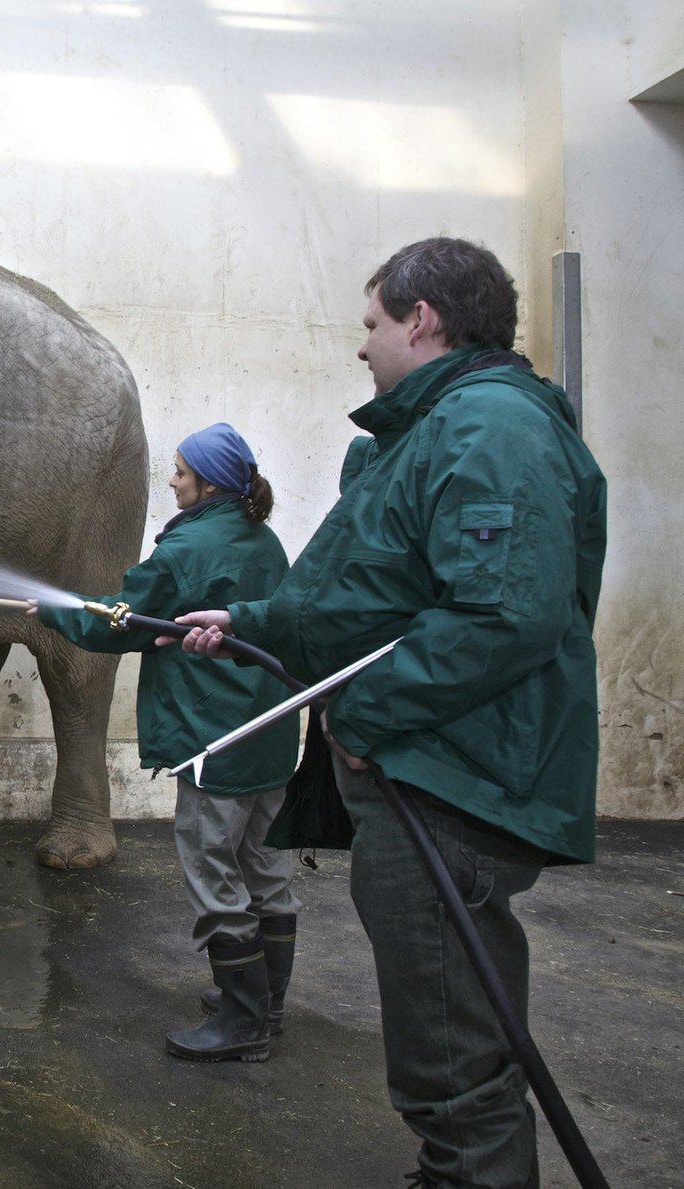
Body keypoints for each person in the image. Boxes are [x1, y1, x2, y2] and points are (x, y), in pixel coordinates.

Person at [174, 238, 607, 1188]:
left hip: (450, 777)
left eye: (372, 323)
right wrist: (252, 620)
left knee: (451, 1035)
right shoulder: (440, 427)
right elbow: (370, 590)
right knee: (444, 1018)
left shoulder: (490, 427)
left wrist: (363, 715)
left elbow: (504, 613)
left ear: (422, 319)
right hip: (434, 766)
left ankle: (470, 1173)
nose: (361, 344)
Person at [32, 422, 301, 1063]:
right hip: (268, 736)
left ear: (209, 482)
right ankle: (267, 1003)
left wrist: (54, 607)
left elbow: (120, 622)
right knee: (266, 870)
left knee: (214, 874)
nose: (172, 481)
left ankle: (243, 1023)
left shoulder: (186, 551)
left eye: (181, 471)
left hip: (215, 738)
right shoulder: (264, 539)